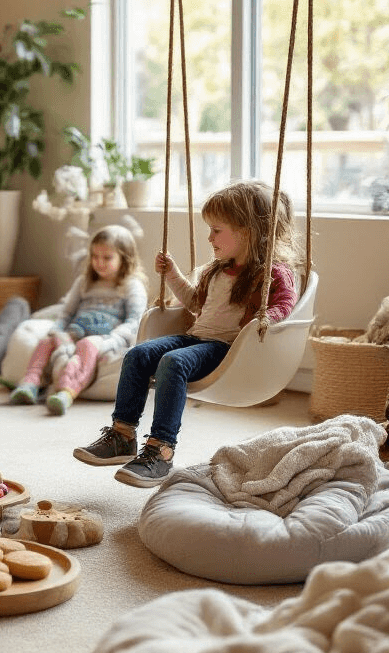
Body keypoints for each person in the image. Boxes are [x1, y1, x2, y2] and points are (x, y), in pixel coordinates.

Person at [73, 180, 301, 487]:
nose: (210, 237)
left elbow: (286, 303)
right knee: (138, 354)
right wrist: (172, 275)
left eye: (216, 230)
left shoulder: (271, 273)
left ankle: (161, 450)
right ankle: (122, 436)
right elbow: (195, 303)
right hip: (196, 337)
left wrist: (265, 317)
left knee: (173, 362)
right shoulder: (216, 270)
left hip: (227, 349)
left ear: (246, 232)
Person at [8, 224, 147, 414]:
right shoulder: (84, 282)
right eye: (95, 256)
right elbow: (66, 313)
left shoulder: (132, 285)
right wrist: (57, 331)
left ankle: (66, 391)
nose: (99, 262)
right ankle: (30, 383)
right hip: (75, 331)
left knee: (87, 346)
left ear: (125, 259)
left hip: (103, 338)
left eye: (107, 257)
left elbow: (134, 322)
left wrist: (112, 341)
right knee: (46, 342)